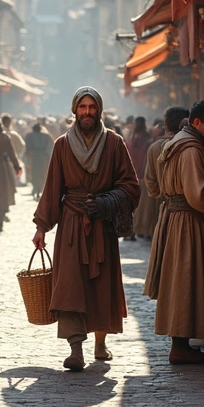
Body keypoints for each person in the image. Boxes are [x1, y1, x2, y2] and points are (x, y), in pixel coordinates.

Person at [32, 87, 139, 371]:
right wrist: (42, 227)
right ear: (74, 110)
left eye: (92, 107)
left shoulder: (115, 144)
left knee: (101, 288)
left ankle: (101, 342)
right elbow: (53, 188)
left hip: (101, 227)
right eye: (83, 107)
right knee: (70, 288)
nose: (87, 112)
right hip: (71, 226)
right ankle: (76, 349)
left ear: (99, 110)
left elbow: (131, 186)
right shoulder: (61, 146)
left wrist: (106, 203)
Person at [153, 100, 204, 364]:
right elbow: (197, 195)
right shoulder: (189, 148)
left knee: (184, 281)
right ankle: (179, 346)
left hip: (181, 219)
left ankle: (182, 345)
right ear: (196, 122)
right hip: (187, 222)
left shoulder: (183, 141)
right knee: (186, 281)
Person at [142, 106, 189, 298]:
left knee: (166, 261)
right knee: (185, 265)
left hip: (165, 210)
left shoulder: (154, 148)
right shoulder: (189, 145)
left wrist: (162, 195)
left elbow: (150, 184)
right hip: (190, 213)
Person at [125, 117, 153, 240]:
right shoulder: (147, 139)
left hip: (131, 175)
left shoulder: (131, 138)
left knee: (132, 205)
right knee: (140, 206)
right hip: (141, 176)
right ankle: (139, 230)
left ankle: (131, 231)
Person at [23, 123, 53, 200]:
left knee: (34, 173)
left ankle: (36, 189)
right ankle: (41, 189)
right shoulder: (46, 136)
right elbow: (50, 146)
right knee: (43, 173)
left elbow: (27, 147)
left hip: (34, 157)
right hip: (44, 157)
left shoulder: (29, 136)